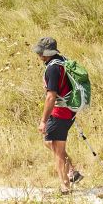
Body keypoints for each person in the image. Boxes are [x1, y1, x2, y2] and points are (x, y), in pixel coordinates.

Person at [33, 36, 82, 193]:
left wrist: (43, 121)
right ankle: (73, 171)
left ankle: (65, 186)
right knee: (50, 143)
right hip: (69, 110)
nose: (39, 55)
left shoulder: (53, 68)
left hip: (61, 111)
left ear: (46, 53)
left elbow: (51, 97)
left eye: (41, 52)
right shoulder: (62, 60)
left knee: (57, 148)